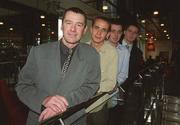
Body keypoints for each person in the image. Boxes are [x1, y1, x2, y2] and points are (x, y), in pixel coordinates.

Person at [15, 7, 101, 125]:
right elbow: (23, 86)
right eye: (68, 23)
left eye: (79, 25)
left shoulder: (92, 54)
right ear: (62, 26)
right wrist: (44, 100)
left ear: (85, 29)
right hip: (40, 118)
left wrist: (65, 102)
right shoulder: (39, 52)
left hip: (74, 118)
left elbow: (92, 85)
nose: (73, 29)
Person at [86, 16, 118, 125]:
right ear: (91, 29)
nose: (99, 33)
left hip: (98, 105)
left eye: (103, 30)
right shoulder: (81, 48)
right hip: (77, 105)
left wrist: (88, 89)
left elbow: (111, 83)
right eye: (97, 28)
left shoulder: (111, 52)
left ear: (107, 34)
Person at [120, 23, 144, 125]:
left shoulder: (138, 52)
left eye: (135, 33)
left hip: (129, 91)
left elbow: (136, 71)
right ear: (124, 32)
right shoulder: (114, 46)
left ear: (137, 35)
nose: (131, 34)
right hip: (113, 88)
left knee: (126, 117)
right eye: (130, 31)